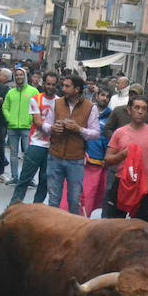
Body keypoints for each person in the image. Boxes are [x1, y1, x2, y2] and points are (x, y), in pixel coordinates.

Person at [103, 95, 148, 221]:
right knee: (115, 225)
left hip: (144, 185)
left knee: (140, 229)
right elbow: (107, 160)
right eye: (136, 107)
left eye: (144, 109)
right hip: (121, 183)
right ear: (129, 110)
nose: (140, 111)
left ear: (147, 112)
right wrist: (122, 155)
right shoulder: (120, 132)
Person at [42, 74, 99, 212]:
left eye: (67, 86)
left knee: (74, 200)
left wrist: (79, 129)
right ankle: (53, 230)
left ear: (77, 89)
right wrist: (52, 128)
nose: (63, 89)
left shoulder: (90, 107)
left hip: (76, 160)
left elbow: (96, 133)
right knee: (54, 199)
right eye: (63, 86)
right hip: (55, 156)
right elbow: (45, 125)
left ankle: (72, 230)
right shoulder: (57, 103)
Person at [9, 72, 57, 205]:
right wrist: (54, 128)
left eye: (53, 84)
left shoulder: (60, 102)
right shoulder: (36, 99)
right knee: (25, 178)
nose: (50, 87)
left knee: (44, 180)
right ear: (43, 83)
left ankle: (36, 209)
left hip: (52, 147)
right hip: (36, 144)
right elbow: (37, 122)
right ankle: (13, 207)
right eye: (48, 84)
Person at [2, 67, 38, 186]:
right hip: (12, 128)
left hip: (27, 128)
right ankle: (14, 177)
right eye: (16, 75)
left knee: (28, 154)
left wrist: (31, 120)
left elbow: (38, 108)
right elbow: (5, 107)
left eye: (21, 75)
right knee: (13, 153)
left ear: (25, 76)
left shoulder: (33, 92)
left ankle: (29, 178)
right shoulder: (10, 92)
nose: (19, 77)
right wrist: (9, 118)